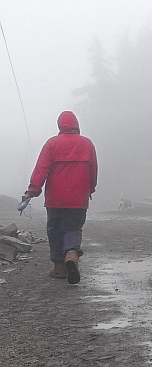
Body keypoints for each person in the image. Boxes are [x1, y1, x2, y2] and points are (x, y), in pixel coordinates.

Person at [23, 111, 98, 284]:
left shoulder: (52, 144)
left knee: (55, 230)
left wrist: (33, 190)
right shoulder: (87, 144)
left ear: (60, 126)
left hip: (55, 199)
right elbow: (93, 170)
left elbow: (41, 168)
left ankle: (59, 267)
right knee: (73, 228)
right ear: (76, 125)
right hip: (78, 198)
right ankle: (71, 254)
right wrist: (91, 188)